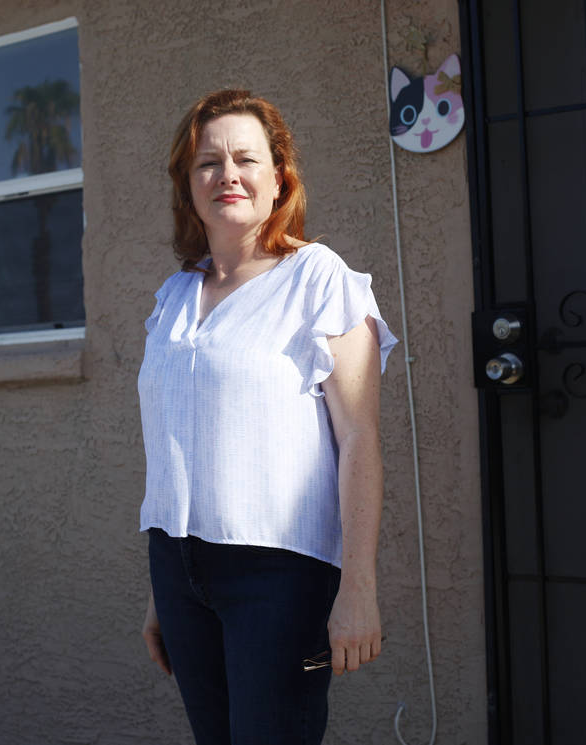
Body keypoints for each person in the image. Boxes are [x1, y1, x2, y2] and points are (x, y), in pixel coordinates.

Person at [138, 88, 398, 745]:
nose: (227, 174)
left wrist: (358, 587)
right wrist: (162, 590)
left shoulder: (318, 278)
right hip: (178, 570)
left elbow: (361, 439)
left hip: (276, 577)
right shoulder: (174, 295)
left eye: (246, 159)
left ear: (279, 177)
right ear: (187, 183)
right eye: (207, 162)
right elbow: (177, 442)